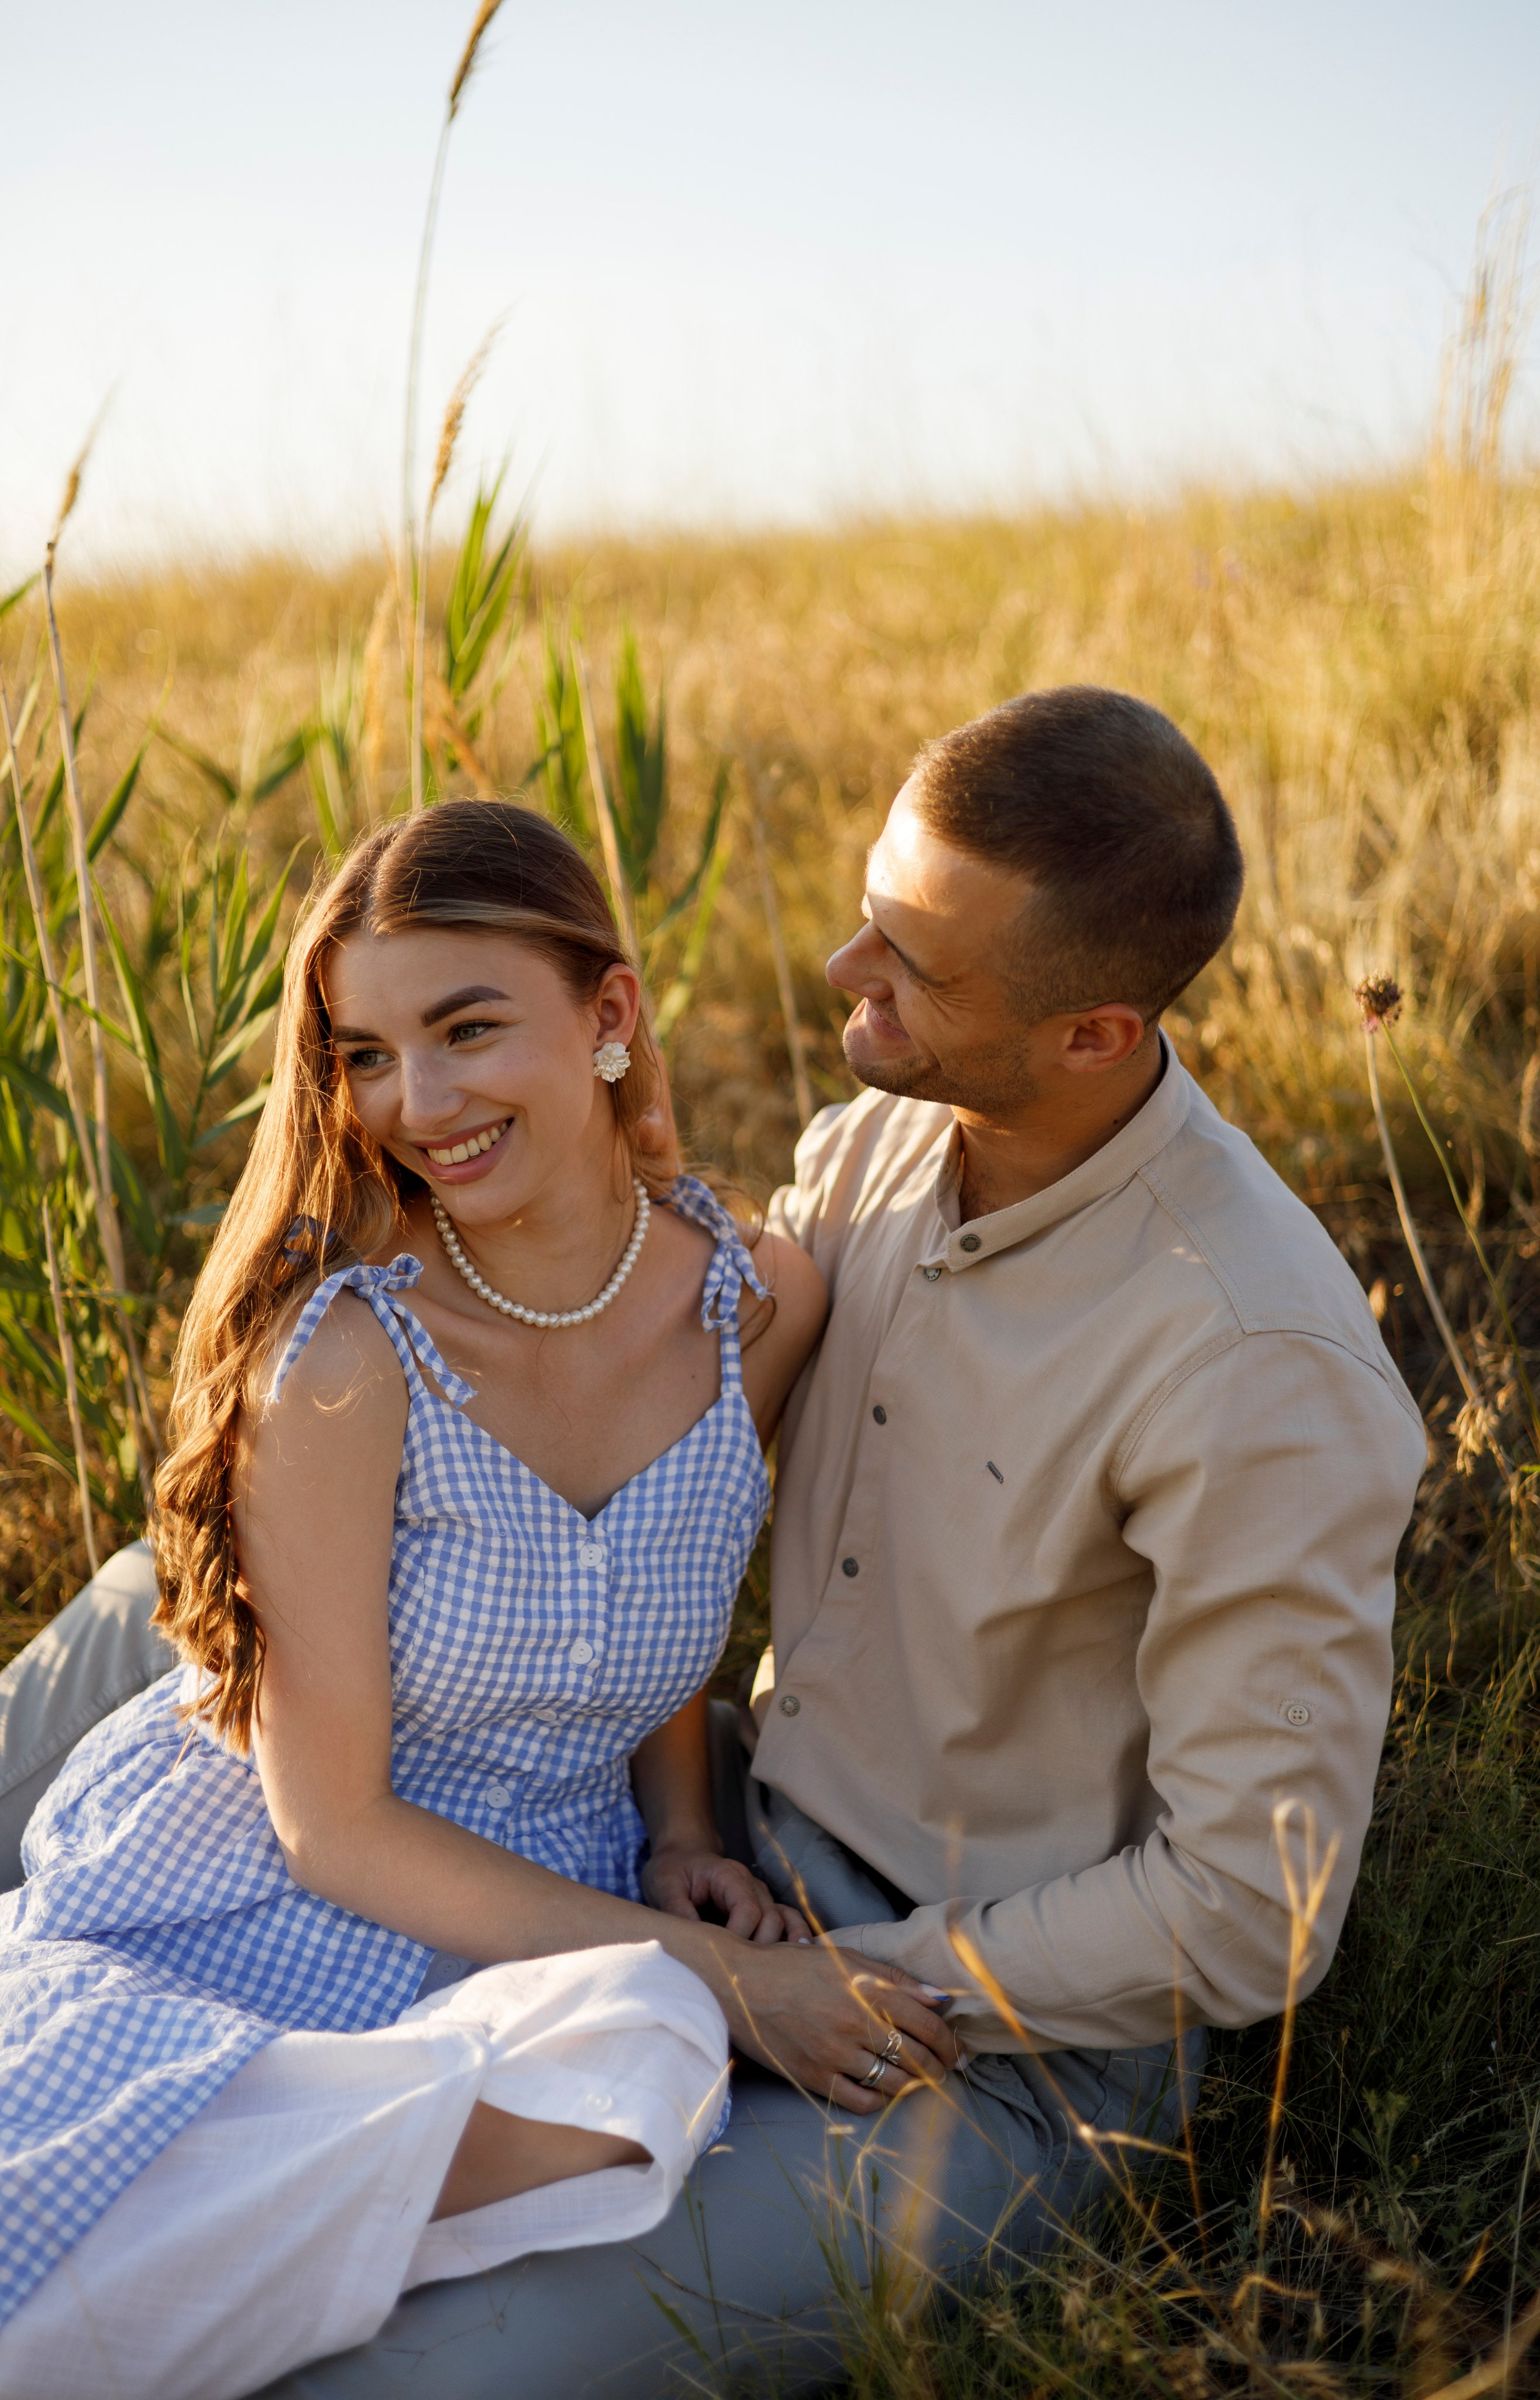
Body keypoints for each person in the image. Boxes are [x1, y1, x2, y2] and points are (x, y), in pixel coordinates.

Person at [0, 690, 1427, 2399]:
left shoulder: (1253, 1360)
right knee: (132, 1622)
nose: (843, 971)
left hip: (972, 2012)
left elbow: (1254, 1911)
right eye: (871, 911)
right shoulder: (886, 1145)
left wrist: (812, 1981)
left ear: (1090, 1033)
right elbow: (662, 1478)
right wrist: (689, 1838)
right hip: (725, 1841)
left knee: (415, 2375)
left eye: (913, 961)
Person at [0, 799, 966, 2400]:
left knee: (645, 2064)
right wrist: (747, 1981)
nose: (415, 1103)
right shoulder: (350, 1356)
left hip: (544, 1932)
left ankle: (250, 2244)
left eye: (464, 1030)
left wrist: (678, 1834)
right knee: (663, 2032)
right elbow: (335, 1830)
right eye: (365, 1054)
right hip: (270, 1909)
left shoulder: (751, 1302)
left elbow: (666, 1580)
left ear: (608, 1015)